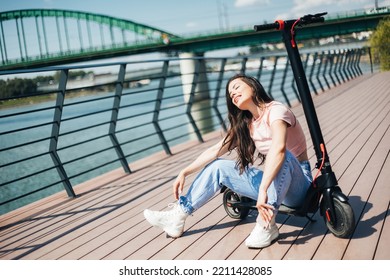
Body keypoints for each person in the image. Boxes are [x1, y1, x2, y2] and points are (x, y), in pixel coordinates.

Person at [144, 74, 313, 249]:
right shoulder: (248, 122)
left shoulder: (276, 110)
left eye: (237, 88)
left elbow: (278, 149)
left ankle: (266, 225)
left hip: (299, 187)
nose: (233, 94)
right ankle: (178, 216)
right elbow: (215, 150)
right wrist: (184, 172)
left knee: (282, 153)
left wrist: (263, 189)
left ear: (253, 87)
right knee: (218, 166)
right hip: (272, 184)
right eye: (230, 94)